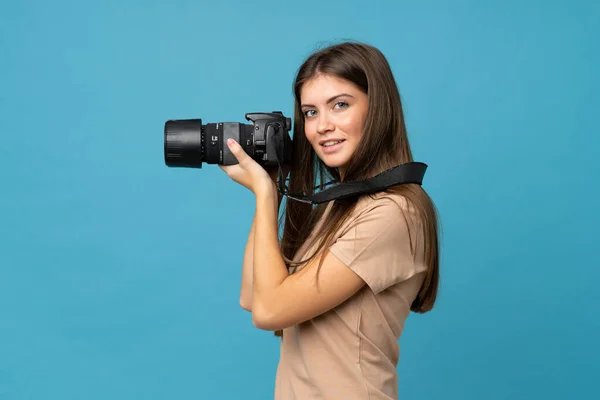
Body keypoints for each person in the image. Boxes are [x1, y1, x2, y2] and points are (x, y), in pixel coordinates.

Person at [219, 40, 440, 400]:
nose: (322, 126)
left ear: (378, 108)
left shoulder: (391, 213)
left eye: (340, 105)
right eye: (310, 112)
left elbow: (269, 311)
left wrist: (262, 193)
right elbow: (253, 296)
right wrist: (270, 191)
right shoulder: (342, 206)